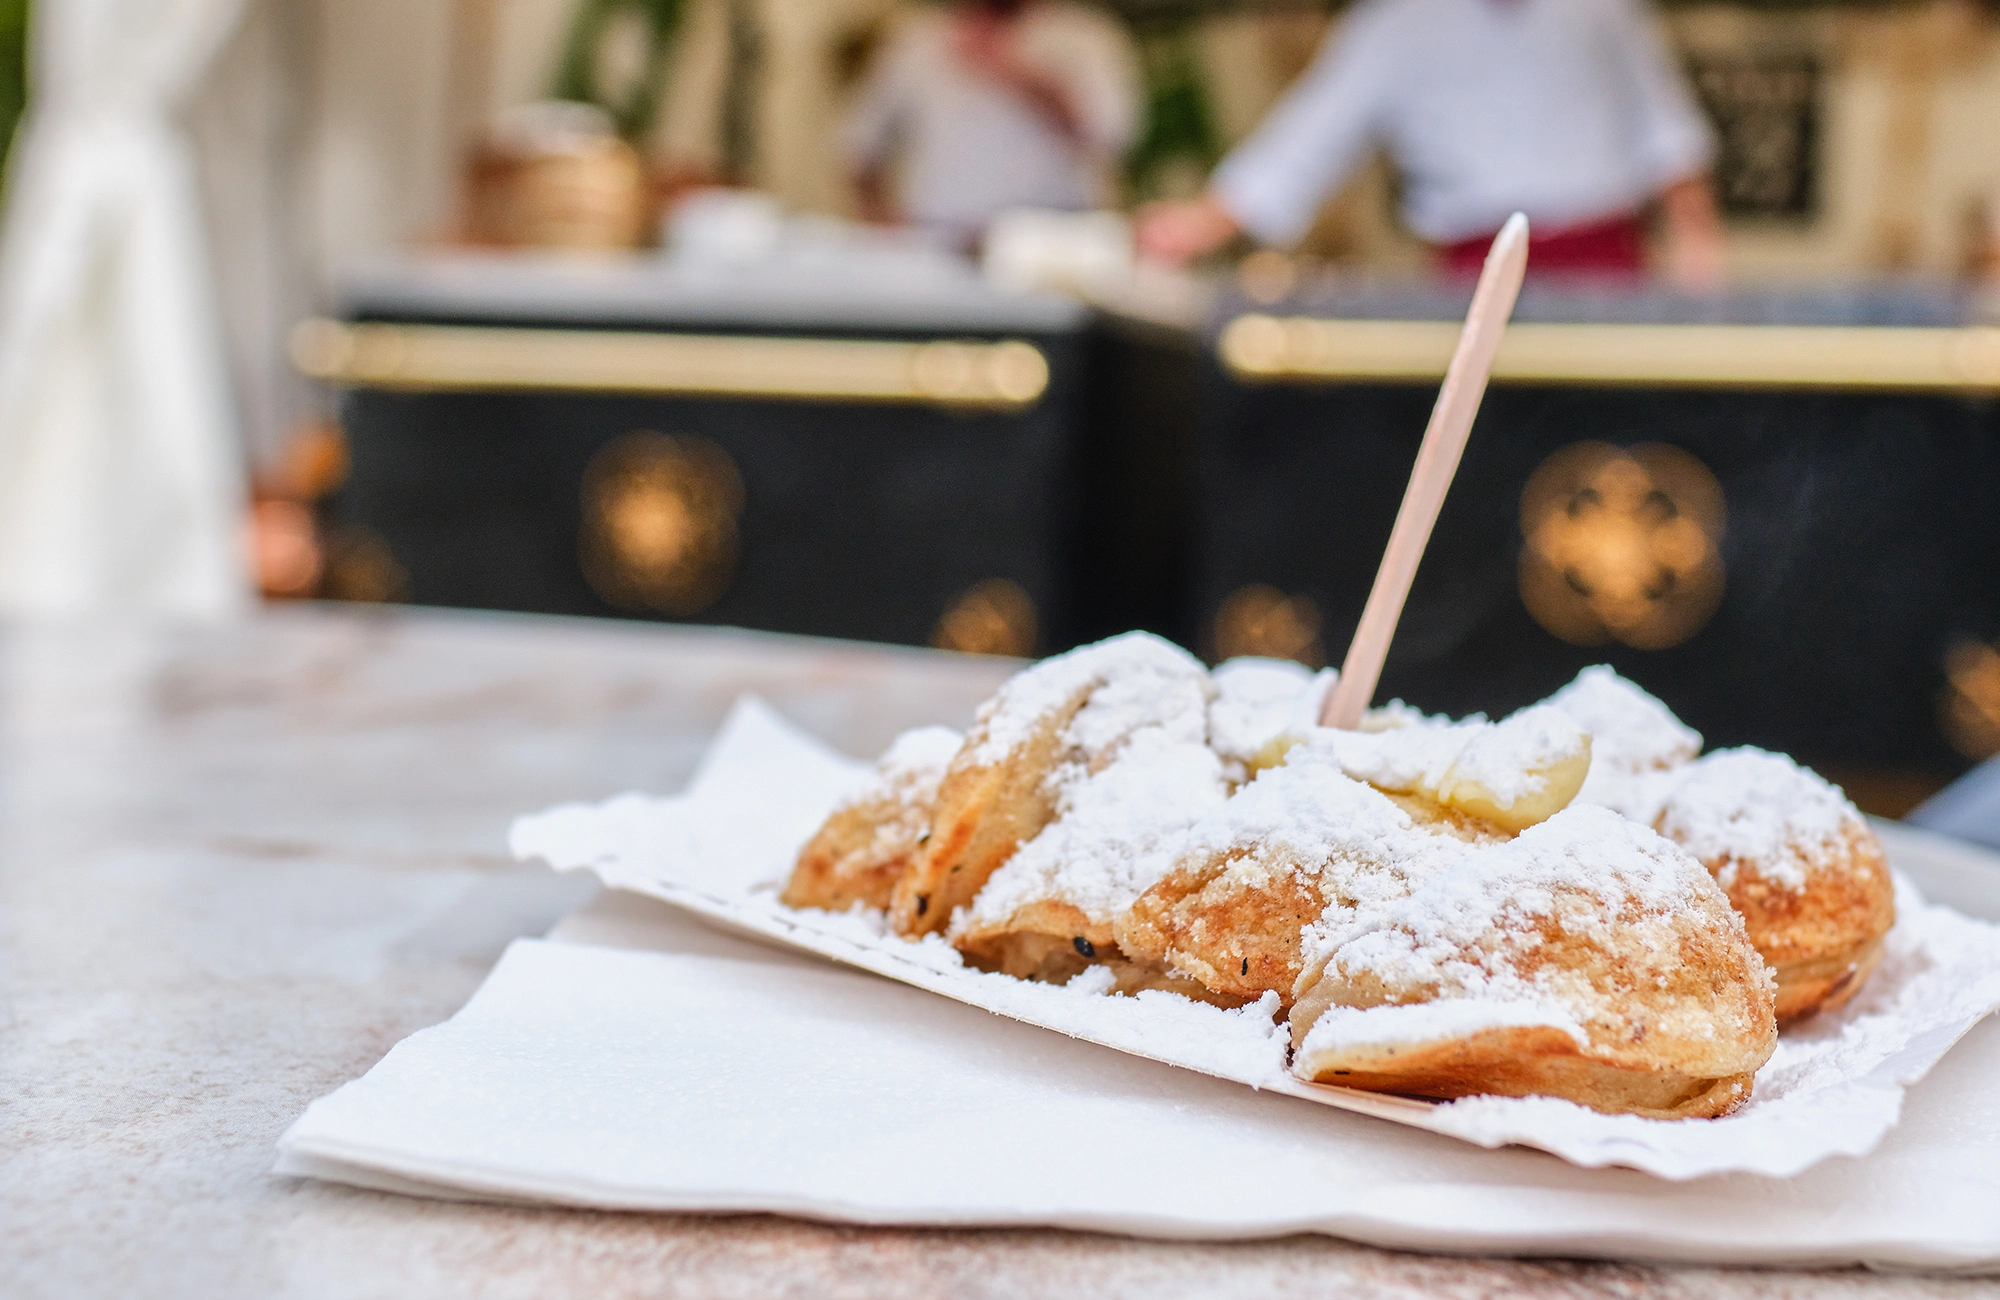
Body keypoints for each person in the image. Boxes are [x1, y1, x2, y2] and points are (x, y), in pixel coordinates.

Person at [1136, 0, 1726, 283]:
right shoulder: (1396, 23)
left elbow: (1668, 139)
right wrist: (1195, 226)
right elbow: (1303, 146)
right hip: (1469, 274)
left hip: (1608, 271)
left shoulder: (1605, 9)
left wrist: (1698, 259)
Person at [844, 0, 1140, 249]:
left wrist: (1021, 75)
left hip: (1055, 244)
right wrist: (884, 234)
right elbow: (858, 146)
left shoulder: (1084, 37)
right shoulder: (918, 41)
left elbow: (1111, 135)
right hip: (940, 240)